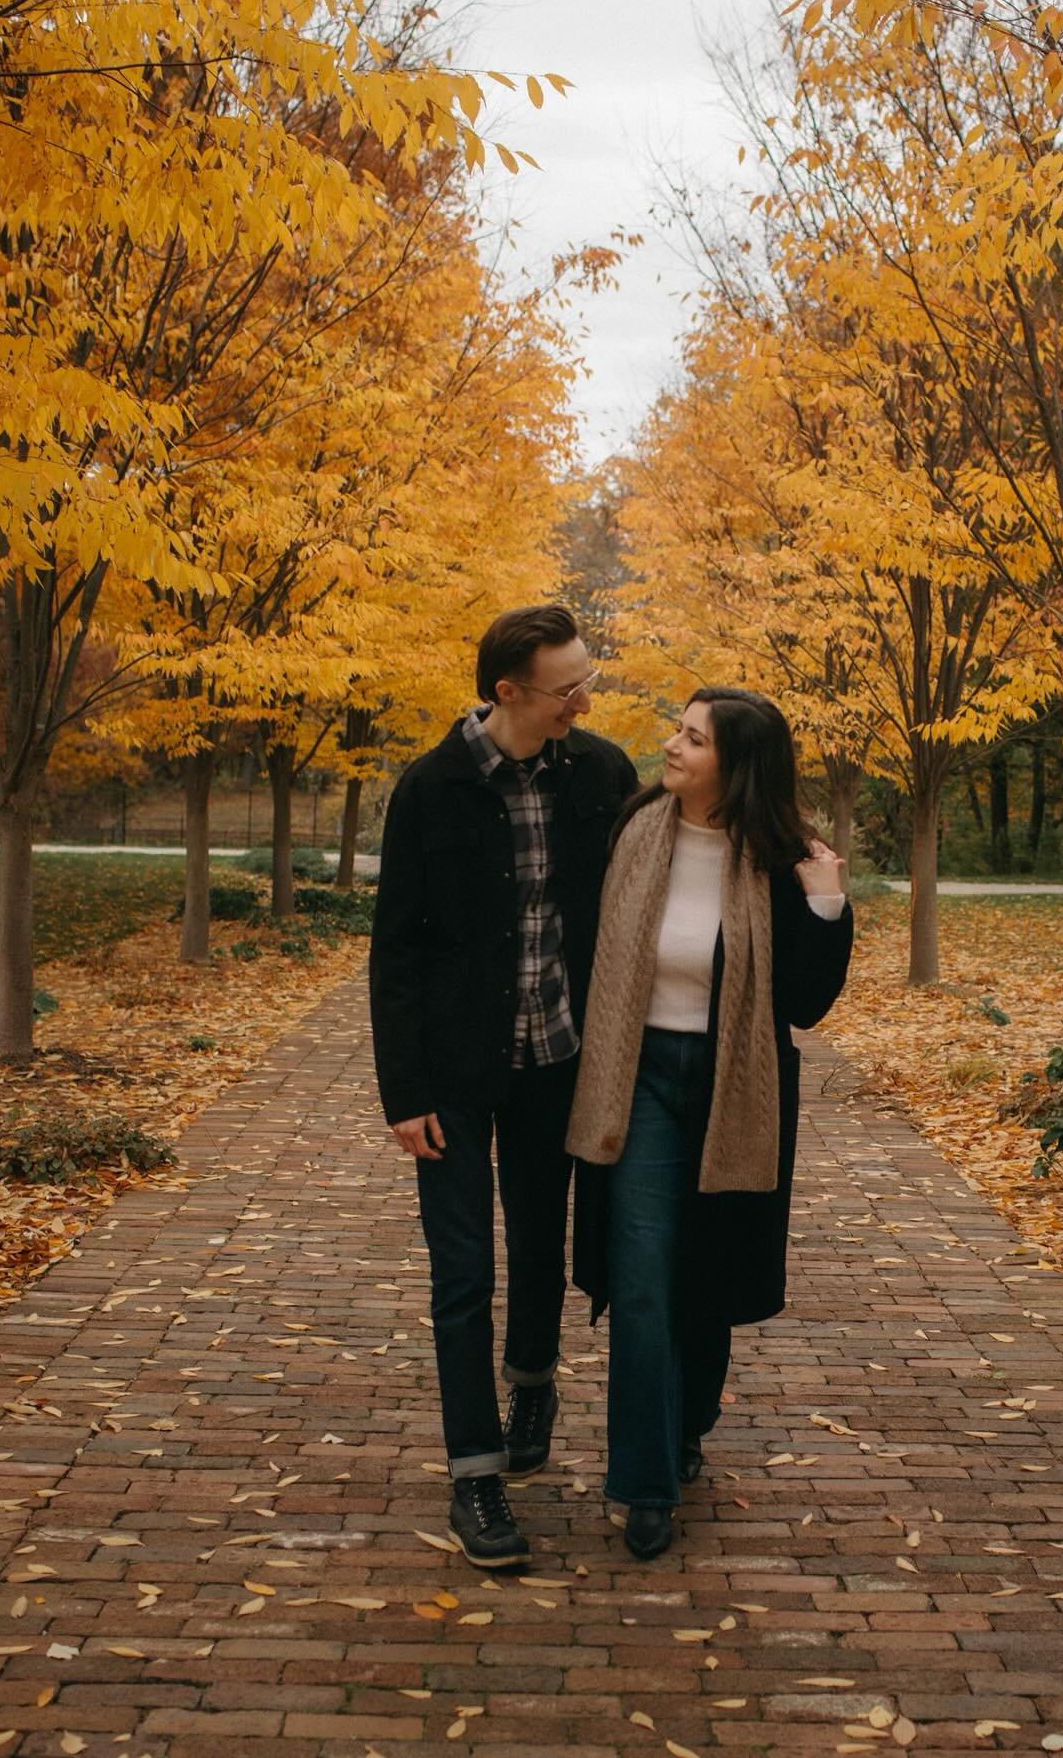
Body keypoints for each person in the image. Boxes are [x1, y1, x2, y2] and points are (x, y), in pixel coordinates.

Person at [369, 605, 638, 1567]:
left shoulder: (601, 772)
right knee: (461, 1273)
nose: (584, 701)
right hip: (452, 1069)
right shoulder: (429, 788)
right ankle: (475, 1477)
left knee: (537, 1244)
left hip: (555, 1057)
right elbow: (396, 950)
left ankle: (532, 1381)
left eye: (587, 680)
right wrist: (403, 1091)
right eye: (568, 688)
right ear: (507, 692)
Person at [566, 686, 853, 1560]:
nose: (673, 745)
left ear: (738, 765)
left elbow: (804, 1003)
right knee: (643, 1277)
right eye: (679, 731)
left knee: (706, 1278)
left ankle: (686, 1424)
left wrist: (826, 905)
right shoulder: (634, 829)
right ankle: (645, 1483)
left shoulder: (782, 858)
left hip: (735, 1084)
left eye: (694, 739)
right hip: (637, 1077)